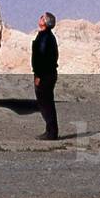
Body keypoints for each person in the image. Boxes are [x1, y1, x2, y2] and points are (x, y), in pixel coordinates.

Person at [31, 11, 58, 140]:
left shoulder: (45, 37)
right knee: (47, 103)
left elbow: (41, 58)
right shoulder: (46, 36)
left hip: (45, 75)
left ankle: (51, 133)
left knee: (45, 104)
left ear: (45, 23)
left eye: (42, 18)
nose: (40, 18)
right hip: (49, 74)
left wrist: (38, 75)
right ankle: (50, 131)